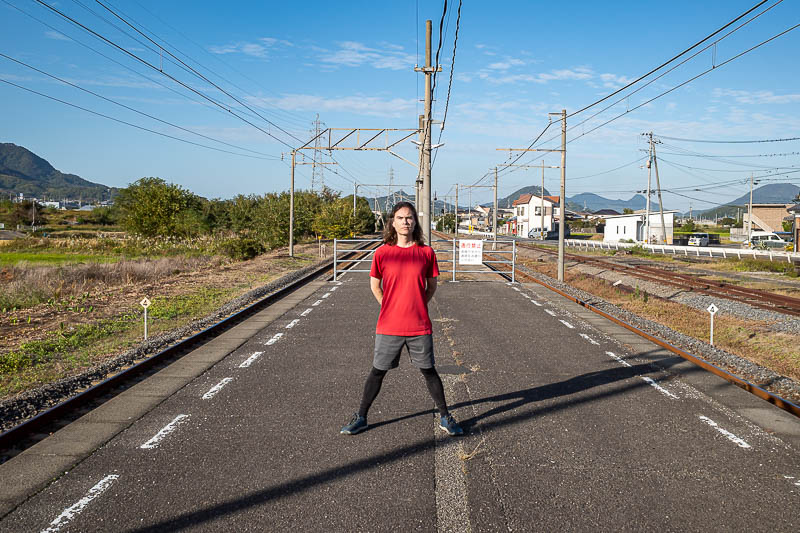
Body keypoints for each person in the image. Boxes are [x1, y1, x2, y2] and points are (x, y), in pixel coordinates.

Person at [340, 202, 464, 436]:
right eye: (400, 218)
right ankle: (361, 417)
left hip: (419, 326)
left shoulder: (426, 253)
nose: (405, 222)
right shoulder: (383, 253)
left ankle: (446, 417)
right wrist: (389, 306)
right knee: (377, 371)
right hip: (389, 325)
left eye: (409, 218)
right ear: (393, 222)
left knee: (429, 371)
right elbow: (375, 285)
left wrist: (417, 305)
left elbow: (431, 286)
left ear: (415, 221)